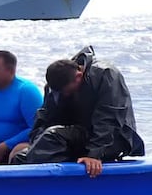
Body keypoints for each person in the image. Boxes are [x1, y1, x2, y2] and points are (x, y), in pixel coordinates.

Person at [14, 46, 145, 177]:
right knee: (20, 158)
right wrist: (34, 144)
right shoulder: (57, 85)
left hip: (112, 139)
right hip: (77, 136)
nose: (65, 95)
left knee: (52, 136)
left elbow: (109, 118)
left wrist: (94, 154)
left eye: (67, 92)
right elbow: (45, 118)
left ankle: (57, 186)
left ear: (79, 76)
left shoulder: (105, 74)